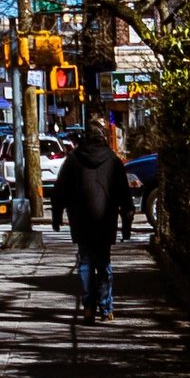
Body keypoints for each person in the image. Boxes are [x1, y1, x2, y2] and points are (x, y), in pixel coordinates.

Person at [49, 112, 134, 322]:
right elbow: (124, 195)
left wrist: (57, 216)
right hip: (105, 219)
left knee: (86, 263)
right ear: (103, 136)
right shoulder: (113, 161)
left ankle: (88, 308)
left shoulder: (73, 161)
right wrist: (126, 223)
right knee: (103, 263)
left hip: (81, 220)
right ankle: (106, 308)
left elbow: (60, 190)